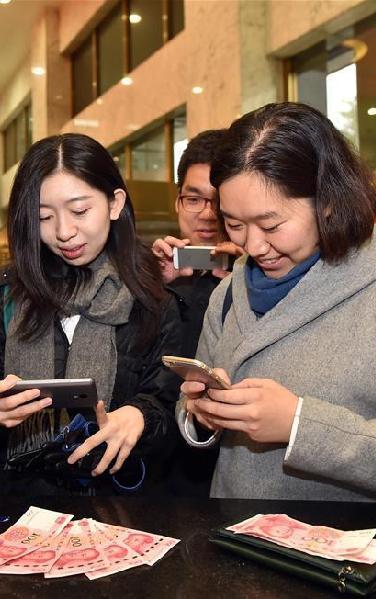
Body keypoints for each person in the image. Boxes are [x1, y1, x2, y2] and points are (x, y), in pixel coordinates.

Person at [177, 103, 376, 504]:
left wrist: (300, 425)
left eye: (272, 225)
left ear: (328, 201)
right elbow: (191, 407)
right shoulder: (228, 294)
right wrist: (202, 413)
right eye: (235, 224)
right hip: (237, 546)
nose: (253, 246)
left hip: (348, 556)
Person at [0, 133, 182, 496]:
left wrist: (141, 417)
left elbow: (174, 416)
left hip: (117, 514)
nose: (63, 232)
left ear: (114, 203)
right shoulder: (7, 297)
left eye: (79, 211)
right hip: (19, 511)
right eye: (44, 217)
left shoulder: (153, 300)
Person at [149, 130, 237, 498]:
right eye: (193, 198)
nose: (207, 213)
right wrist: (154, 287)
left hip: (228, 472)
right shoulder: (150, 274)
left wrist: (247, 288)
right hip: (156, 474)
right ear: (177, 203)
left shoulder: (260, 275)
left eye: (218, 201)